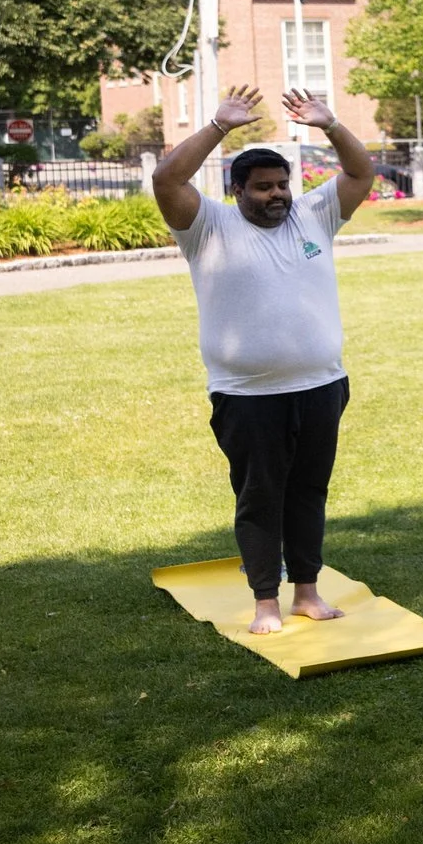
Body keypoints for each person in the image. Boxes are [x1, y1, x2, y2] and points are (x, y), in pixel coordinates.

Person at [151, 86, 377, 635]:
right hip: (247, 395)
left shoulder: (314, 216)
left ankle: (307, 592)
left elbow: (360, 174)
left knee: (309, 493)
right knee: (259, 498)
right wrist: (218, 126)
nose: (277, 195)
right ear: (238, 190)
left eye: (282, 185)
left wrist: (331, 125)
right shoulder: (207, 227)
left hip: (322, 385)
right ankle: (265, 603)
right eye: (264, 188)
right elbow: (166, 180)